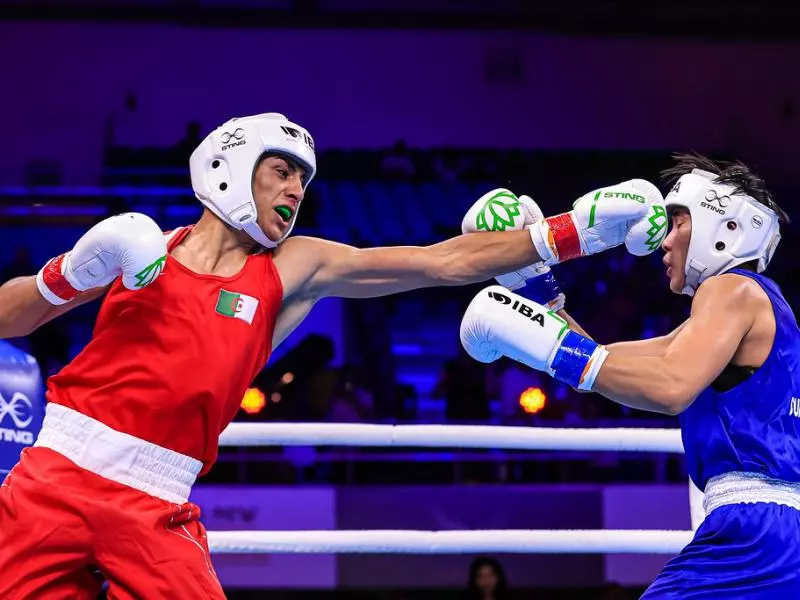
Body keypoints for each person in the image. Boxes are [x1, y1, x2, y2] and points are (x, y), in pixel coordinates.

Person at [0, 112, 659, 599]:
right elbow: (9, 318)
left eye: (303, 180)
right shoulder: (140, 249)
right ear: (230, 166)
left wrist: (575, 232)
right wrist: (70, 272)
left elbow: (441, 262)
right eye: (282, 171)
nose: (296, 189)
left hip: (155, 497)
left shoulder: (290, 267)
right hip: (54, 476)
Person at [459, 152, 800, 598]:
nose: (665, 242)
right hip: (771, 530)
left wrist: (552, 350)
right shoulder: (748, 309)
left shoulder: (731, 289)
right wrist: (534, 287)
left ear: (727, 228)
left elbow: (670, 388)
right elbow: (605, 361)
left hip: (755, 530)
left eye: (678, 223)